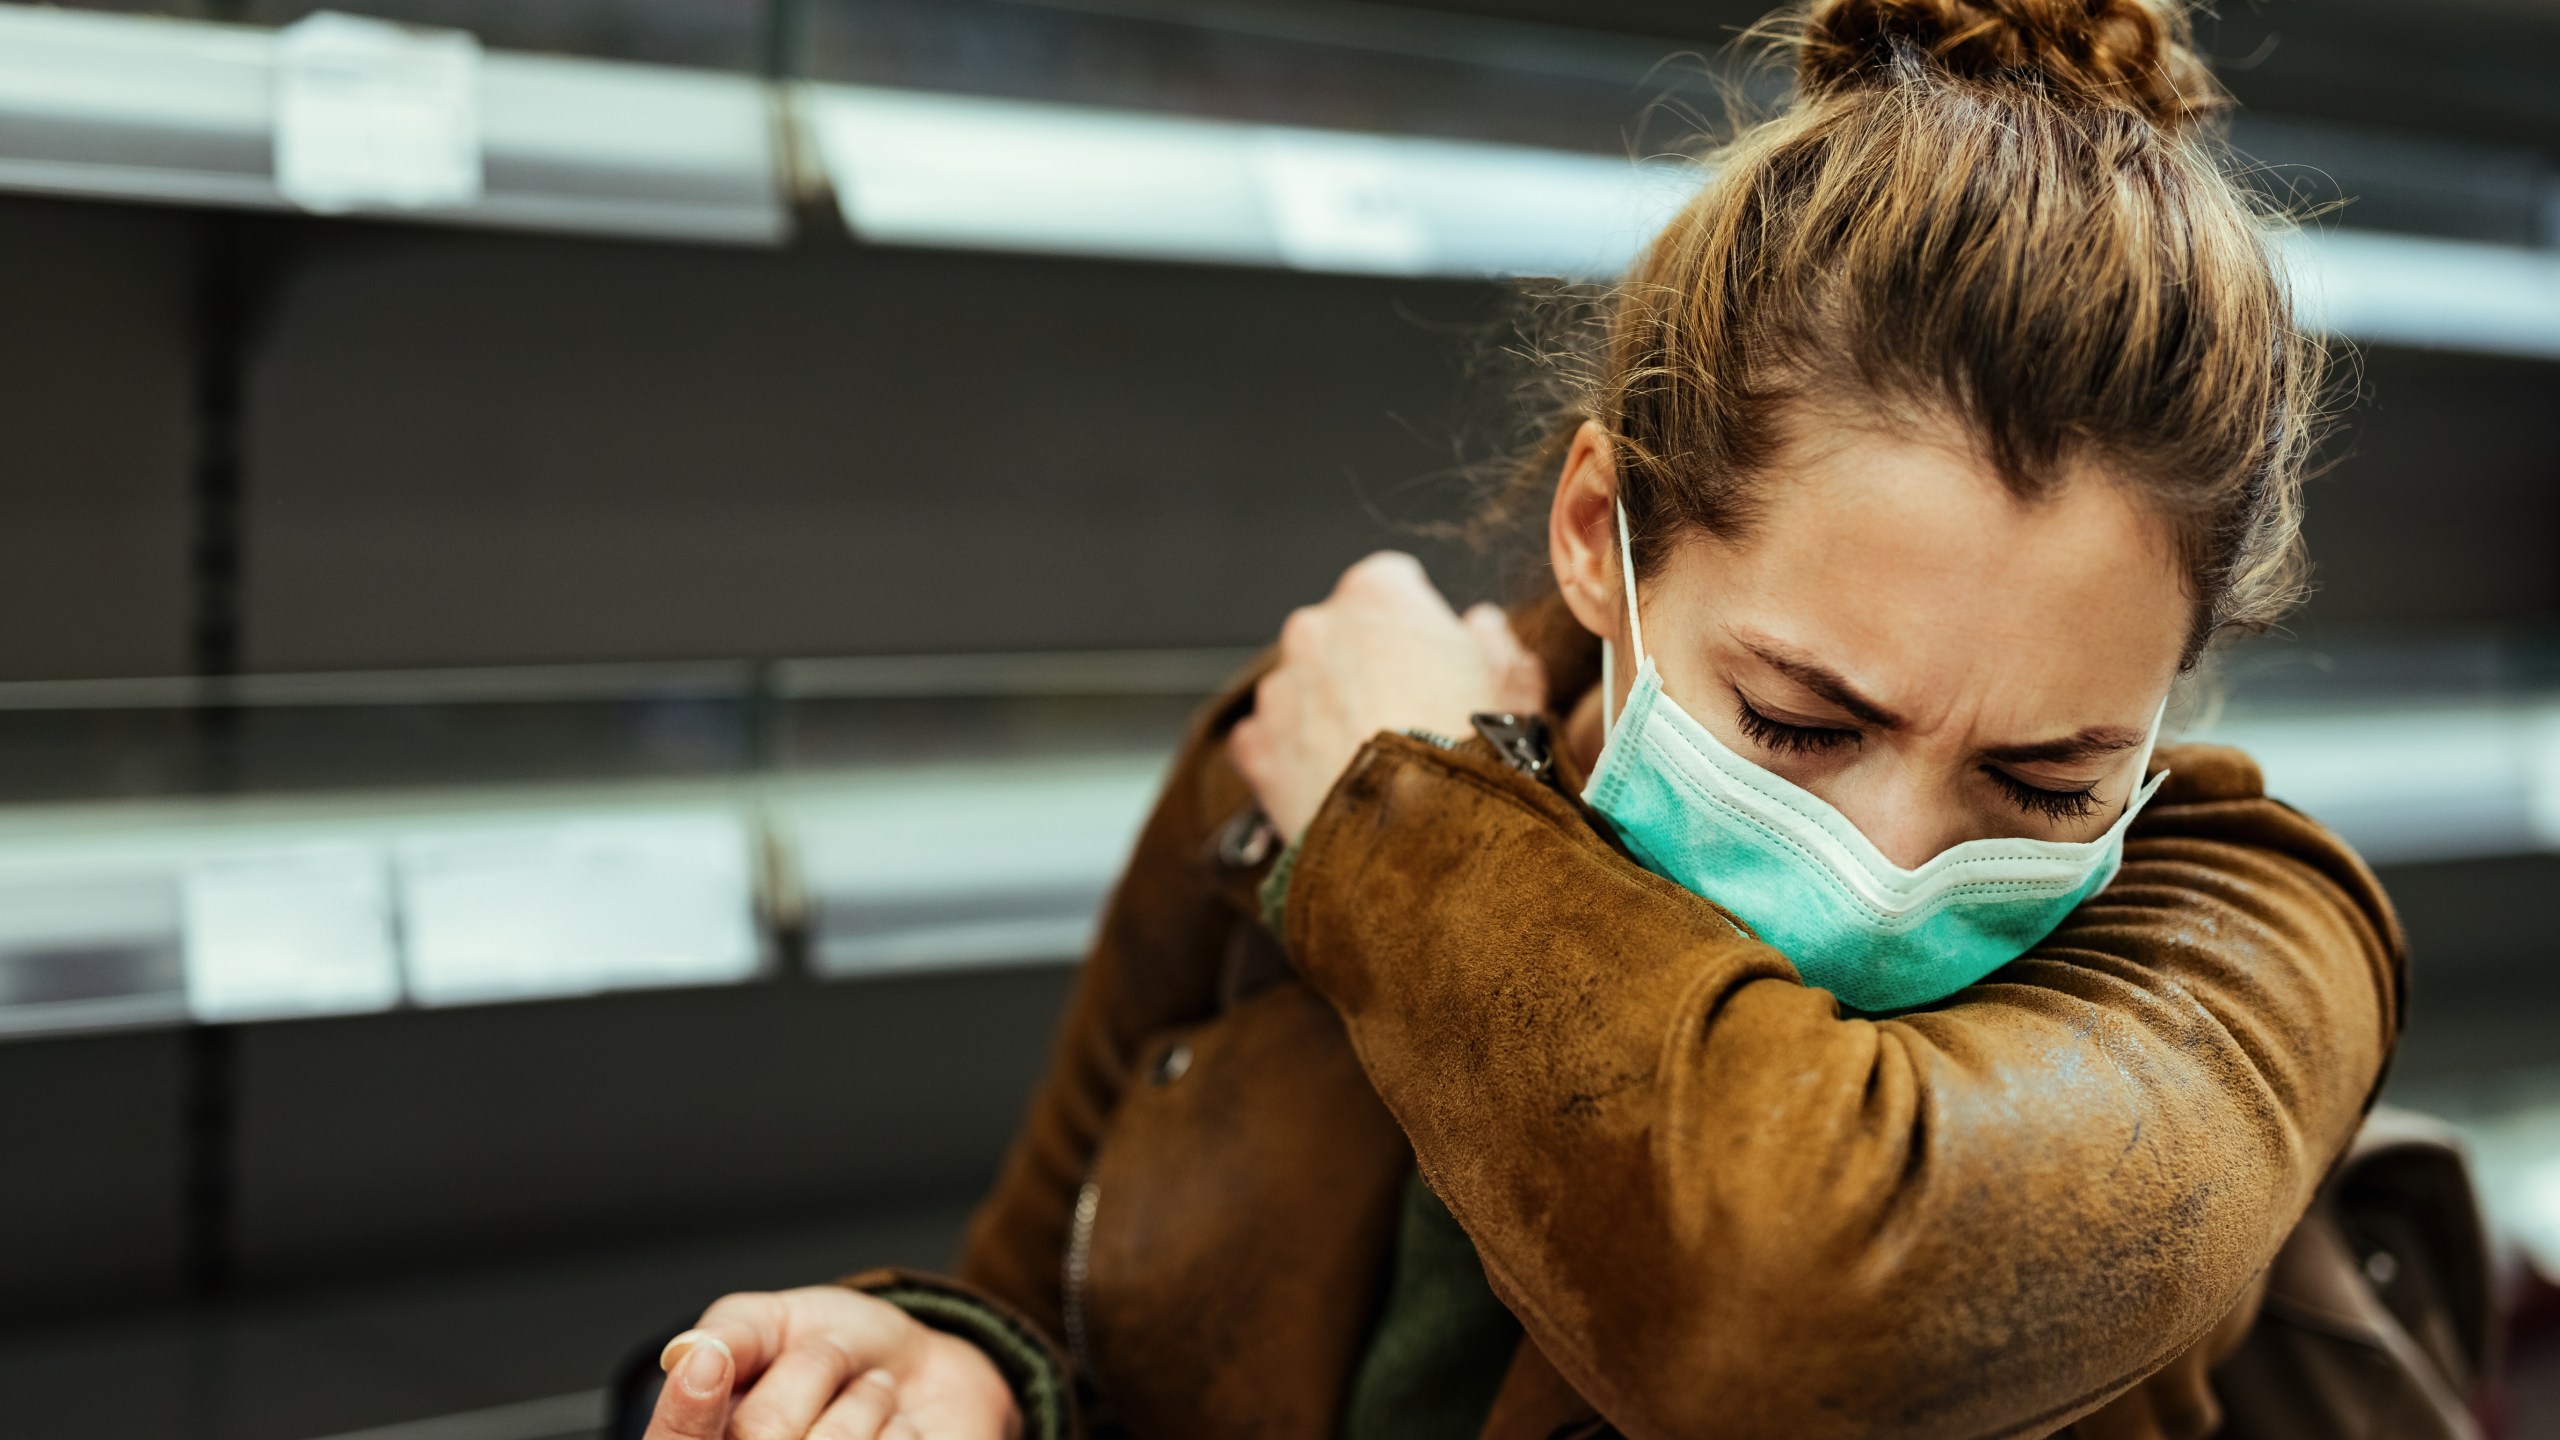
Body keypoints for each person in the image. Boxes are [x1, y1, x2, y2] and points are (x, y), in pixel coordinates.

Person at [632, 0, 2438, 1435]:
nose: (1893, 863)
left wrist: (1406, 825)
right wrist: (969, 1383)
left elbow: (1789, 1322)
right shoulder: (1285, 769)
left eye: (2043, 778)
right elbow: (1046, 1294)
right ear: (1602, 533)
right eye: (1801, 723)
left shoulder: (2252, 944)